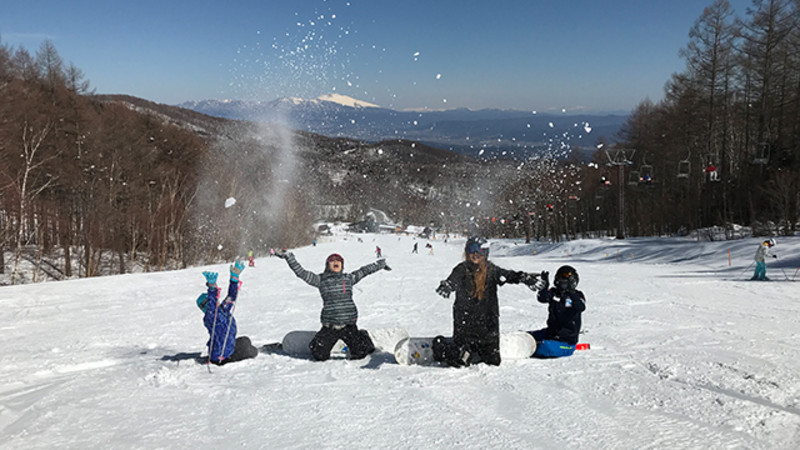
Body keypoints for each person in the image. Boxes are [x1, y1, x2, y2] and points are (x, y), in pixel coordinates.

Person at [432, 236, 544, 367]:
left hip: (487, 328)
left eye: (480, 250)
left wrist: (524, 277)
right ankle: (444, 346)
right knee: (460, 361)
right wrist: (447, 286)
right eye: (472, 249)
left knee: (494, 362)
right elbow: (452, 281)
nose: (475, 254)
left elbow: (508, 275)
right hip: (465, 326)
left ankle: (475, 349)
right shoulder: (462, 269)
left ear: (486, 253)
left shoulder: (492, 270)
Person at [276, 250, 391, 361]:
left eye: (338, 260)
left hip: (349, 325)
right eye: (332, 260)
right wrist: (289, 257)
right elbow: (301, 273)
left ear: (342, 265)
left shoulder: (348, 278)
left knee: (360, 353)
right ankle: (318, 341)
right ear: (327, 265)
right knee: (319, 355)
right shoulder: (320, 280)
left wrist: (381, 264)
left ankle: (363, 335)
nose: (335, 262)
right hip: (330, 326)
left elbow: (365, 270)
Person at [197, 260, 258, 365]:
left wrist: (234, 278)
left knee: (245, 340)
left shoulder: (222, 309)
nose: (217, 301)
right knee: (251, 351)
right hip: (220, 356)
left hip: (229, 348)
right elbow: (212, 304)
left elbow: (231, 297)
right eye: (213, 301)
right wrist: (212, 287)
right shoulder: (210, 317)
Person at [529, 265, 586, 358]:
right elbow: (542, 298)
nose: (561, 281)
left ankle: (526, 349)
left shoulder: (577, 295)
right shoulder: (554, 292)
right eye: (560, 277)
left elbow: (581, 307)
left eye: (565, 278)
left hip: (566, 341)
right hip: (550, 333)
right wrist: (544, 287)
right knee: (528, 336)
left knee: (543, 347)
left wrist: (571, 293)